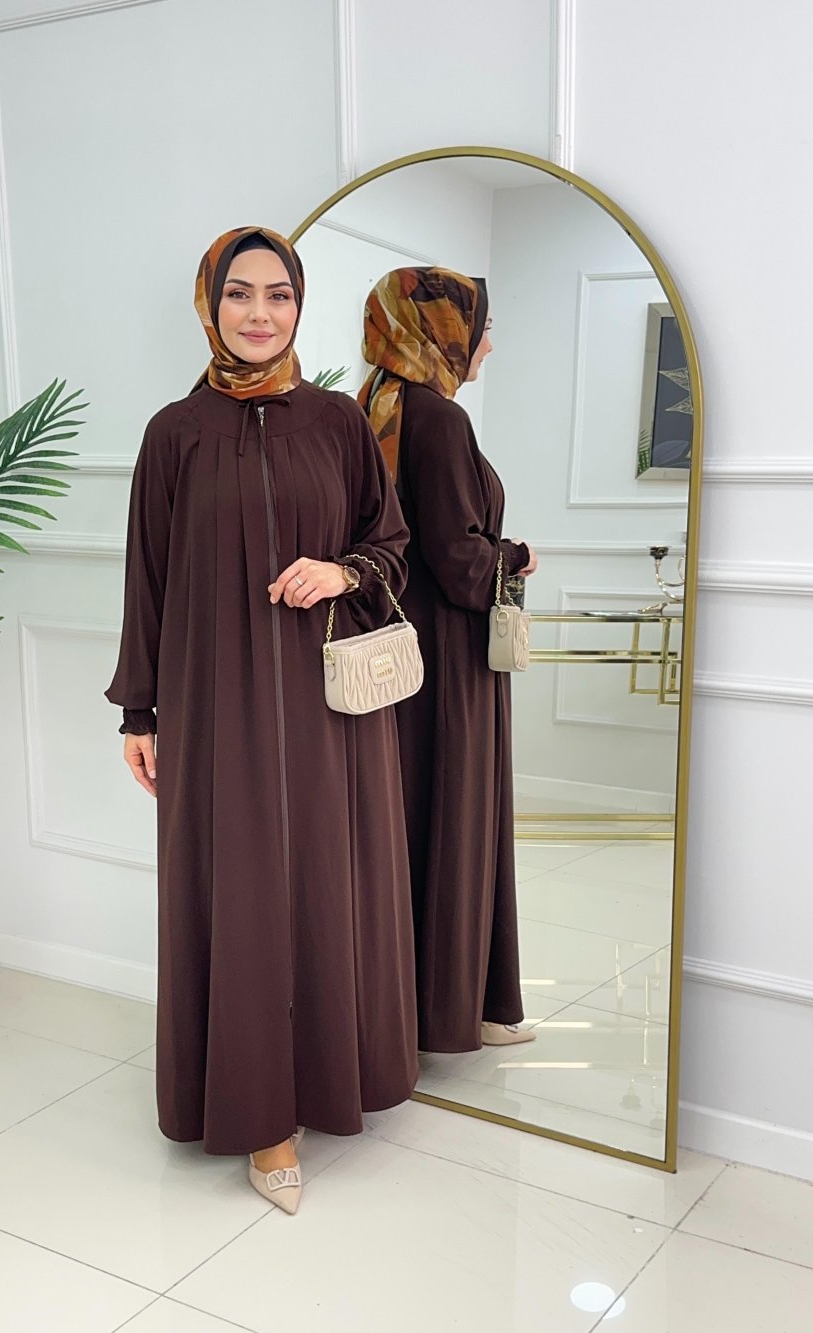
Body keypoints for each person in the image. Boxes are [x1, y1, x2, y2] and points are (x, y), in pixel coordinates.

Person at [106, 227, 418, 1214]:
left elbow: (392, 543)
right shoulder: (175, 433)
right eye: (238, 294)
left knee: (324, 887)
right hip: (216, 705)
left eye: (277, 294)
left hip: (327, 710)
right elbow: (148, 578)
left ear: (298, 305)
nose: (258, 313)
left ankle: (332, 1080)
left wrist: (341, 571)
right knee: (237, 895)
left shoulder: (337, 422)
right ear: (210, 306)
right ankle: (260, 1116)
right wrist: (140, 710)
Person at [358, 267, 537, 1055]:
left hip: (398, 662)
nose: (487, 345)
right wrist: (517, 554)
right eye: (481, 328)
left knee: (405, 829)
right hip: (452, 668)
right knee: (456, 828)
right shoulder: (438, 419)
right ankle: (456, 1012)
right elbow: (462, 566)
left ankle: (402, 1012)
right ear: (441, 331)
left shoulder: (373, 404)